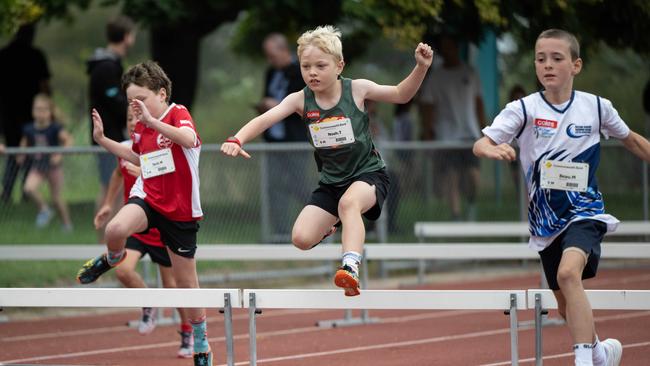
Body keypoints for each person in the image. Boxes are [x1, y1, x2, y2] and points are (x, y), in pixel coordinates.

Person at [473, 29, 650, 366]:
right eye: (541, 59)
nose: (548, 65)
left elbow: (633, 140)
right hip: (545, 222)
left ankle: (583, 361)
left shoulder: (597, 107)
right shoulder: (523, 109)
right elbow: (480, 143)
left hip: (585, 212)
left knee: (569, 275)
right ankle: (601, 353)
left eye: (557, 59)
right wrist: (494, 150)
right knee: (565, 303)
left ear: (576, 65)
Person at [221, 25, 433, 296]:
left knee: (349, 204)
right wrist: (236, 139)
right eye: (305, 66)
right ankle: (335, 225)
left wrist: (421, 67)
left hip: (368, 175)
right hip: (332, 182)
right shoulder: (300, 100)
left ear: (339, 65)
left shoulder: (357, 90)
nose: (312, 73)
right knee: (301, 238)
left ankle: (350, 268)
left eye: (320, 66)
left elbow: (401, 94)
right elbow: (265, 119)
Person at [76, 61, 212, 365]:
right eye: (130, 102)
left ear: (161, 94)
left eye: (141, 100)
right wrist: (102, 140)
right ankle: (111, 258)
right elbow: (135, 155)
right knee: (114, 230)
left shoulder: (177, 113)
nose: (135, 108)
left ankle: (201, 341)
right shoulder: (142, 128)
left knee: (185, 284)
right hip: (149, 198)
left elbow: (190, 140)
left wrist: (152, 120)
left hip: (180, 212)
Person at [93, 105, 193, 358]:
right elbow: (117, 174)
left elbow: (171, 174)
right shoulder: (126, 148)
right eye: (128, 118)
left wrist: (145, 171)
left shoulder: (161, 144)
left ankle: (187, 330)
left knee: (173, 287)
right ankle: (148, 303)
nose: (132, 121)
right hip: (137, 224)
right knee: (124, 271)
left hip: (161, 225)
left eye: (137, 116)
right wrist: (107, 203)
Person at [418, 34, 486, 221]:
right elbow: (428, 107)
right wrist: (428, 133)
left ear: (456, 48)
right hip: (446, 135)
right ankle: (455, 214)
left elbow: (479, 102)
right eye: (445, 47)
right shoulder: (436, 77)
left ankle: (471, 202)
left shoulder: (470, 73)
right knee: (451, 175)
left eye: (451, 46)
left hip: (470, 134)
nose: (448, 51)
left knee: (473, 176)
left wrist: (484, 130)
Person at [256, 33, 309, 242]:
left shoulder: (301, 71)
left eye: (272, 55)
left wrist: (276, 106)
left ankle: (321, 223)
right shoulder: (270, 72)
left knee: (299, 185)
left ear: (284, 50)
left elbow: (302, 106)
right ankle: (280, 232)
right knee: (273, 186)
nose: (270, 60)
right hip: (273, 141)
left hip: (294, 141)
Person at [87, 15, 136, 232]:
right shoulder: (105, 67)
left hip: (116, 137)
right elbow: (115, 102)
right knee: (110, 188)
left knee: (117, 187)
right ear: (127, 37)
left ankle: (114, 239)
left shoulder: (113, 65)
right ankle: (105, 242)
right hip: (108, 138)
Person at [0, 23, 51, 204]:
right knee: (26, 151)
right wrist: (48, 104)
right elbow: (45, 86)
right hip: (25, 113)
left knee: (13, 152)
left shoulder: (4, 54)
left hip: (12, 113)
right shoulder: (35, 55)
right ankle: (23, 192)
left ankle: (11, 192)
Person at [17, 93, 73, 231]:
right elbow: (23, 145)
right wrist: (20, 155)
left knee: (56, 198)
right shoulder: (29, 129)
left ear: (50, 112)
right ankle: (44, 209)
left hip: (53, 167)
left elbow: (69, 140)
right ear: (32, 111)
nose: (40, 112)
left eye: (44, 109)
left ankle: (66, 224)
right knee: (28, 188)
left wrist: (59, 154)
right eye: (37, 109)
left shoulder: (55, 128)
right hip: (38, 166)